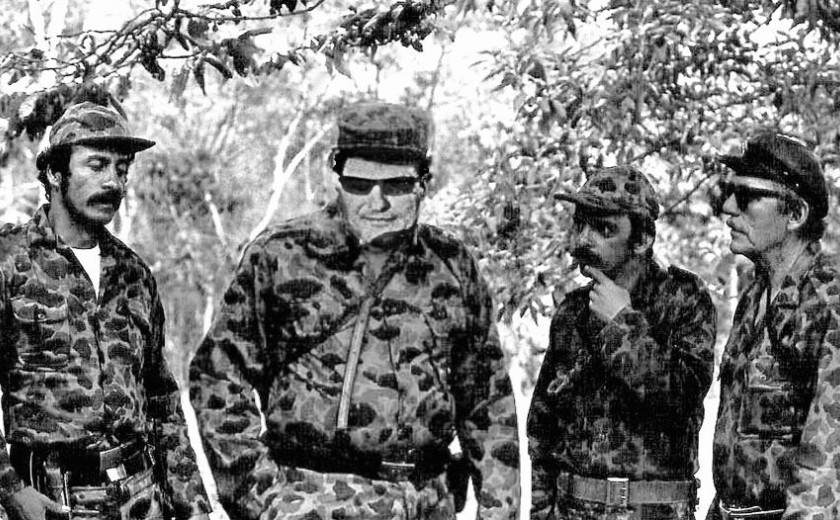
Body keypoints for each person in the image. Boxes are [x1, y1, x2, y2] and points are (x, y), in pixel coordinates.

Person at [189, 101, 520, 520]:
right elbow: (218, 376)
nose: (376, 202)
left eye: (396, 185)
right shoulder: (281, 256)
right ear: (338, 178)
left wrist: (498, 511)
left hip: (425, 503)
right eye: (359, 184)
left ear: (423, 183)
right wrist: (263, 498)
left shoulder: (452, 266)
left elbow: (488, 405)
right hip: (308, 504)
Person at [0, 101, 211, 520]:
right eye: (96, 165)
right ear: (55, 173)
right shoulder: (10, 262)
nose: (113, 181)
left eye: (122, 168)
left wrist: (193, 507)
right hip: (51, 499)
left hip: (140, 496)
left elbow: (161, 399)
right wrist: (11, 490)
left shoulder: (134, 274)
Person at [528, 165, 717, 520]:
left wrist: (621, 324)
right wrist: (541, 511)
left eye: (604, 229)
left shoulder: (683, 299)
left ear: (642, 240)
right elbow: (543, 430)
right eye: (580, 225)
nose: (584, 240)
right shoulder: (571, 312)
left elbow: (681, 400)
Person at [708, 132, 840, 520]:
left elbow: (827, 464)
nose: (728, 208)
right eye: (728, 193)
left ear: (795, 215)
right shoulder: (754, 295)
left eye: (746, 196)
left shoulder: (829, 301)